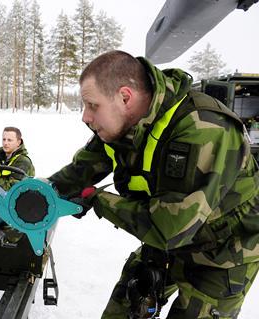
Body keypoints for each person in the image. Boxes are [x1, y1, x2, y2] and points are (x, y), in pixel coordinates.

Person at [48, 50, 259, 318]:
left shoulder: (204, 128)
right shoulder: (122, 124)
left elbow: (168, 229)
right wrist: (34, 196)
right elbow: (79, 173)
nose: (85, 117)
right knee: (125, 304)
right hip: (171, 239)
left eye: (93, 105)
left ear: (125, 97)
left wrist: (96, 199)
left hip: (223, 254)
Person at [0, 126, 35, 244]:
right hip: (5, 206)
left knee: (9, 240)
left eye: (10, 140)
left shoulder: (23, 161)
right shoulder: (5, 156)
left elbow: (11, 191)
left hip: (18, 210)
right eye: (3, 139)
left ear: (19, 142)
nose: (5, 143)